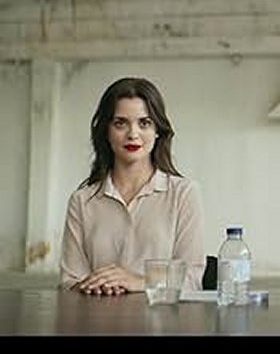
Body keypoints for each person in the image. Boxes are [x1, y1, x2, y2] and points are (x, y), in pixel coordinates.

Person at [60, 77, 205, 295]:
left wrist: (138, 281)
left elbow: (191, 279)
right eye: (120, 123)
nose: (133, 134)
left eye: (144, 123)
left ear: (157, 130)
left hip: (162, 316)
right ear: (106, 131)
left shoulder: (183, 194)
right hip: (97, 314)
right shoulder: (82, 201)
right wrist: (97, 286)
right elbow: (69, 282)